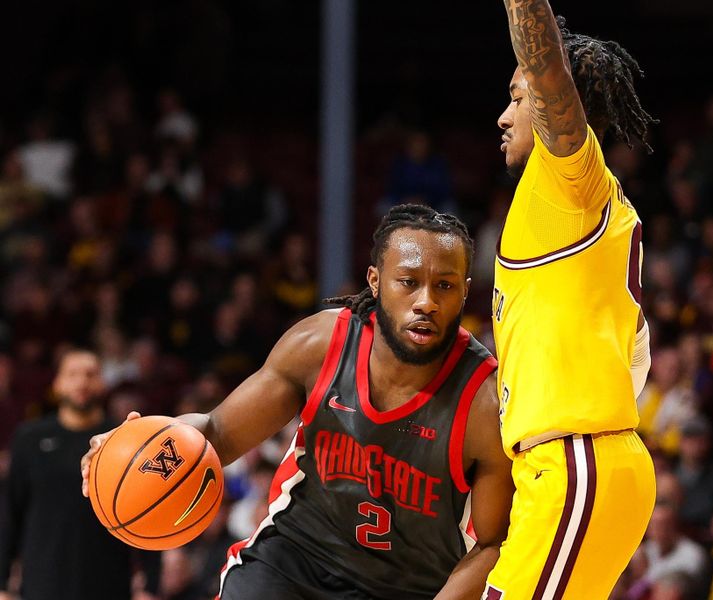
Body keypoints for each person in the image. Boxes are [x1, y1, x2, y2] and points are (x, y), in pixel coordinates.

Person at [82, 205, 514, 600]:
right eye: (408, 282)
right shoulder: (320, 344)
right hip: (293, 561)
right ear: (375, 281)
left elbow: (494, 544)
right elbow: (218, 432)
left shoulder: (483, 401)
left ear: (465, 291)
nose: (426, 302)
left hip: (410, 587)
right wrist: (140, 443)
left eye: (445, 286)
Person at [485, 2, 659, 597]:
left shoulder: (571, 180)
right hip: (573, 465)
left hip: (574, 462)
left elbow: (550, 73)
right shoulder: (573, 209)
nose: (504, 117)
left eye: (518, 97)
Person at [0, 350, 159, 600]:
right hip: (42, 583)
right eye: (72, 374)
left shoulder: (122, 438)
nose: (82, 382)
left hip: (108, 582)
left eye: (90, 374)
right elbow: (9, 513)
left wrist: (151, 586)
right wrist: (2, 584)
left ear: (103, 383)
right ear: (57, 383)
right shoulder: (28, 438)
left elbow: (147, 510)